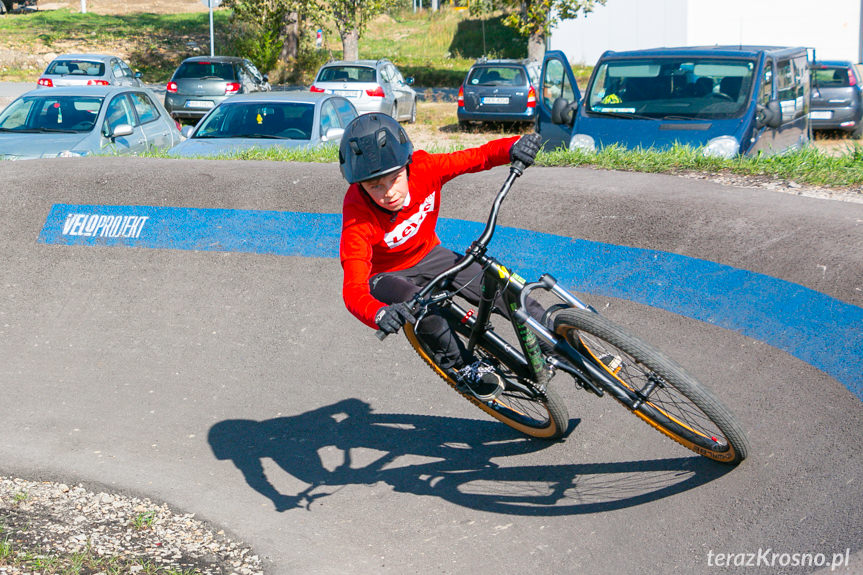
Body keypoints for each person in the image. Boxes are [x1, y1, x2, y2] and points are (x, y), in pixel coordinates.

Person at [338, 113, 545, 402]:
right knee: (424, 311)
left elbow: (476, 157)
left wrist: (513, 147)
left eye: (395, 179)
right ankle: (464, 368)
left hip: (431, 254)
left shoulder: (425, 168)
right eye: (375, 187)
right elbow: (352, 289)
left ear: (407, 167)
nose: (389, 193)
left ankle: (553, 334)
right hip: (388, 276)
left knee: (498, 284)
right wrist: (379, 313)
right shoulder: (357, 219)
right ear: (359, 186)